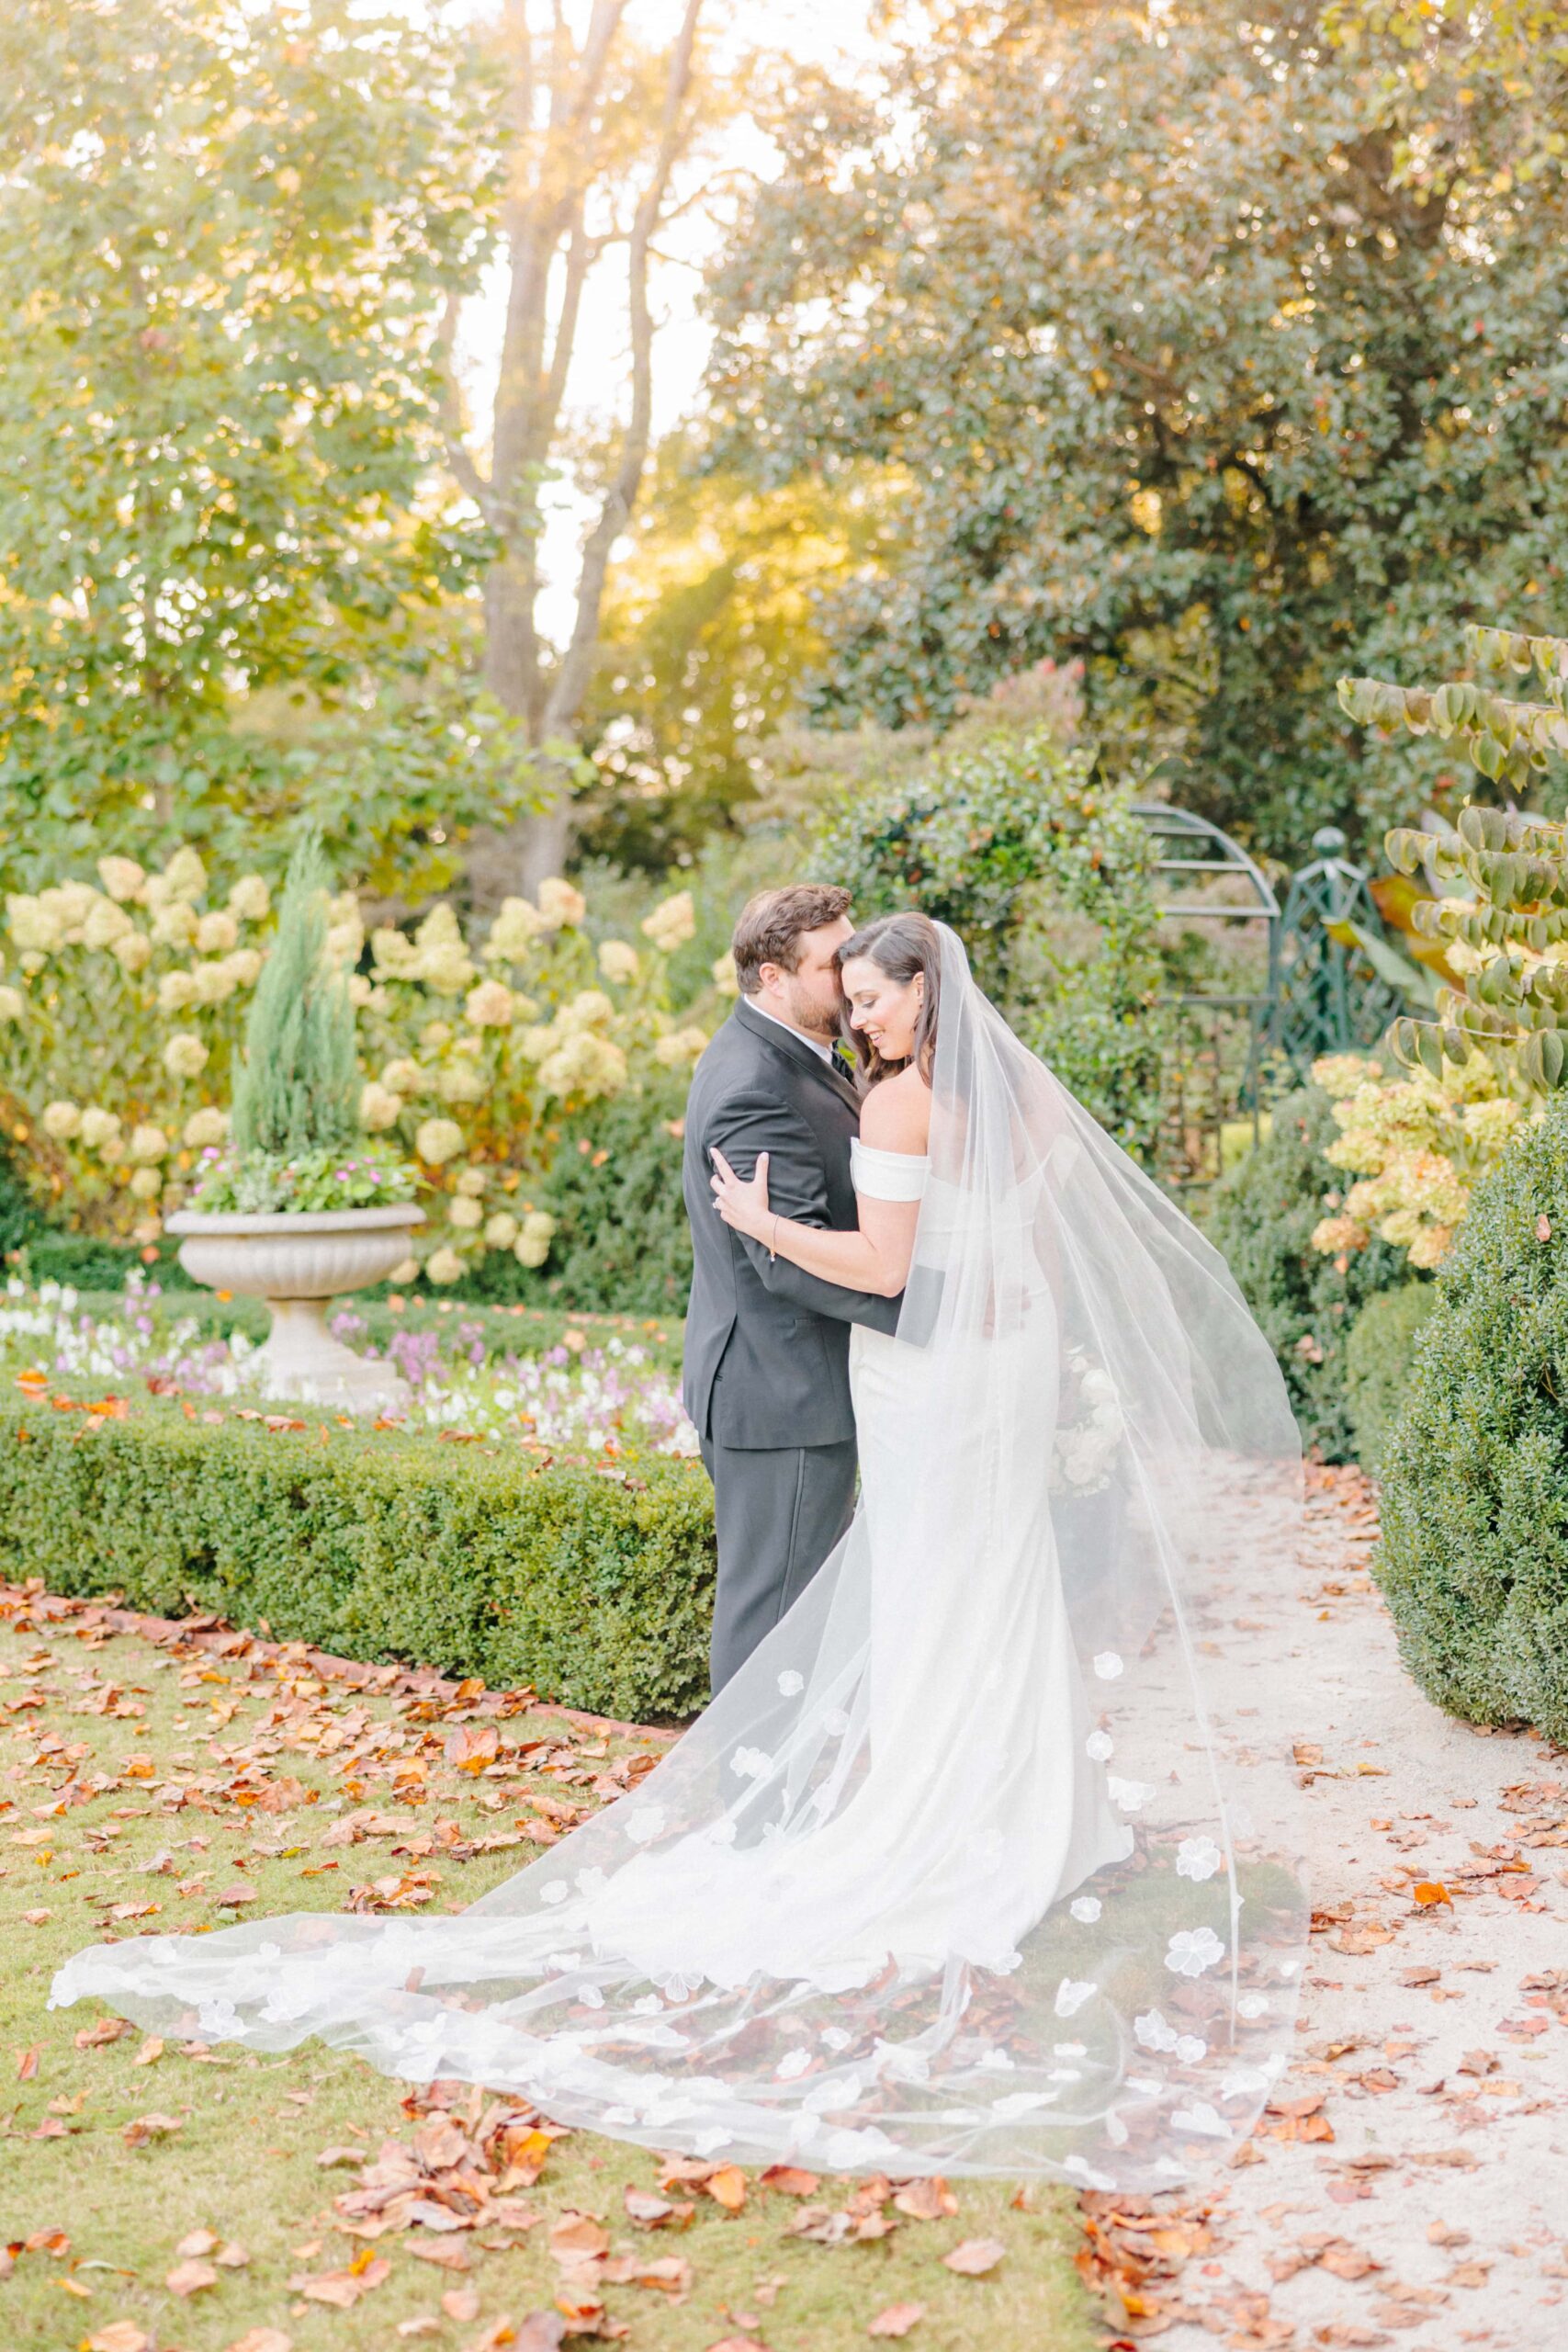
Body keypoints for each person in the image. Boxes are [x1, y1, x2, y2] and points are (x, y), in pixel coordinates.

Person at [51, 914, 1306, 2191]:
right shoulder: (990, 1083)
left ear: (924, 996)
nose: (855, 1010)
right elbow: (1004, 1216)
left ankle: (918, 1816)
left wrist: (763, 1225)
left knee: (937, 1581)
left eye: (871, 993)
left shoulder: (885, 1099)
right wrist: (988, 1284)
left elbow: (877, 1262)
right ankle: (1004, 1806)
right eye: (842, 986)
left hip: (934, 1366)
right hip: (993, 1346)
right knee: (974, 1574)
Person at [682, 884, 901, 1692]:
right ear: (772, 977)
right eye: (829, 965)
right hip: (783, 1396)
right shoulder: (753, 1085)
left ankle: (786, 1801)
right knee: (772, 1619)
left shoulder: (796, 1055)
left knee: (795, 1611)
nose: (848, 980)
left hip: (784, 1384)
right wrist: (931, 1309)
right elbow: (786, 1259)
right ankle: (754, 1816)